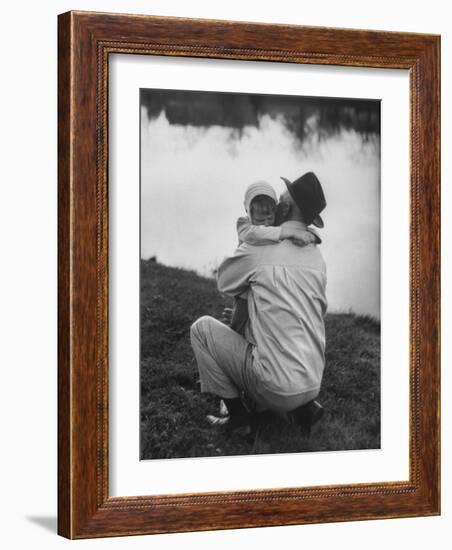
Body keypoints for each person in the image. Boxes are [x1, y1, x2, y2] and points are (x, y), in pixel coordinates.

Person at [190, 172, 328, 435]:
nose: (278, 200)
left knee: (201, 329)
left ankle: (239, 420)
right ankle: (299, 408)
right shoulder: (317, 256)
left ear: (287, 206)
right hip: (312, 381)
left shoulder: (259, 248)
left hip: (277, 384)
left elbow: (225, 282)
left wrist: (250, 239)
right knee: (273, 307)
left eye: (284, 196)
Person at [229, 180, 320, 335]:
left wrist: (312, 235)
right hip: (246, 276)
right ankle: (234, 333)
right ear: (248, 210)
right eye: (259, 218)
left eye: (269, 217)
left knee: (255, 312)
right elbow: (252, 234)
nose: (265, 223)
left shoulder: (277, 223)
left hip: (264, 282)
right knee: (240, 312)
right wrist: (289, 233)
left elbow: (304, 229)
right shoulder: (245, 224)